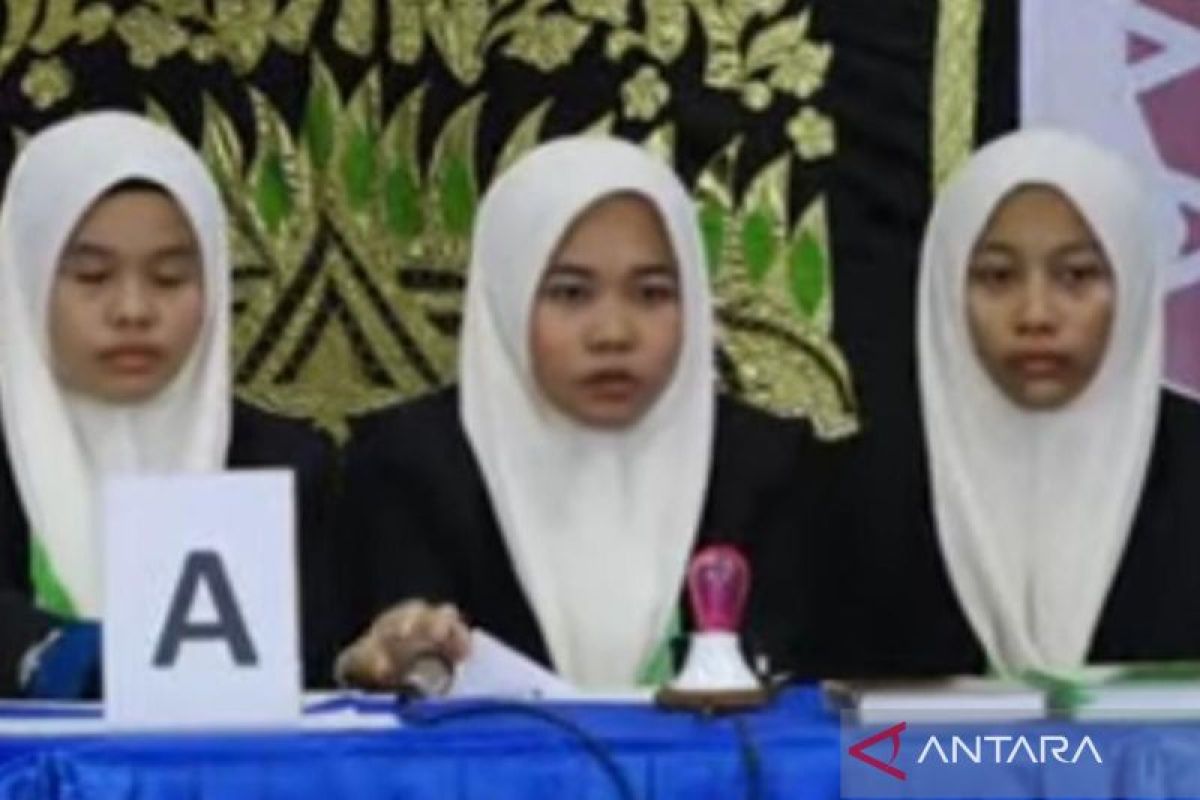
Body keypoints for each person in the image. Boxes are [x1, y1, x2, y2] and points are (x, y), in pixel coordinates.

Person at [335, 136, 827, 691]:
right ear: (507, 296)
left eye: (651, 293)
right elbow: (364, 683)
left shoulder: (765, 466)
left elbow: (845, 716)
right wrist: (387, 661)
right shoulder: (409, 465)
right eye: (570, 294)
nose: (613, 333)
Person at [0, 111, 337, 696]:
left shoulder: (285, 464)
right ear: (24, 281)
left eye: (170, 278)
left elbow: (321, 662)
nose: (133, 311)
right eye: (92, 276)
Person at [916, 128, 1200, 674]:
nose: (1036, 315)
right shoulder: (860, 489)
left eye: (1077, 276)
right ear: (948, 285)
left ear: (1133, 281)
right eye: (998, 276)